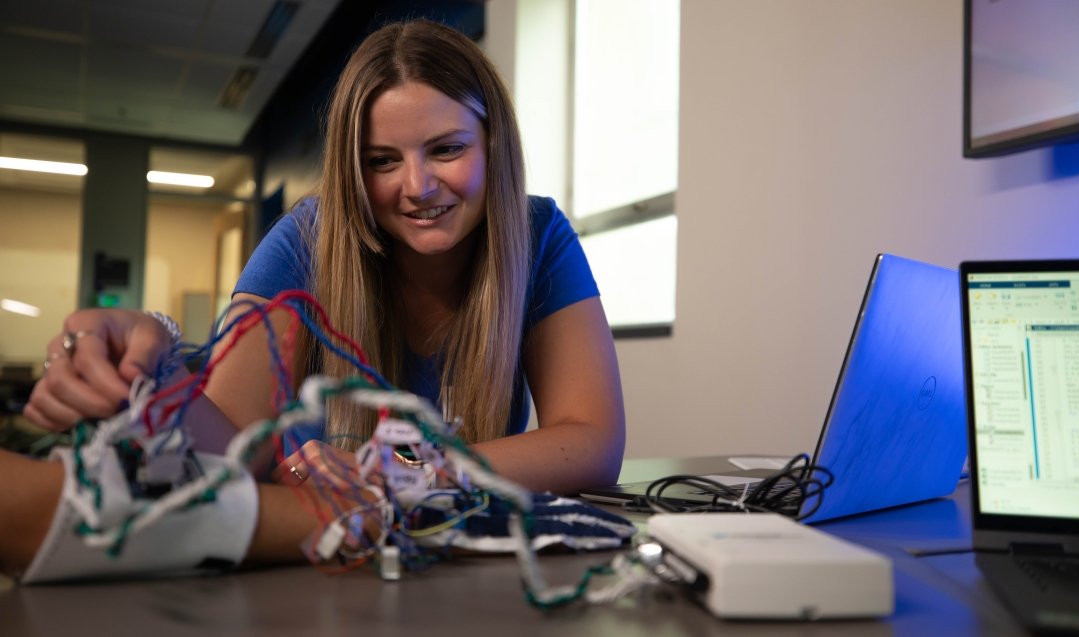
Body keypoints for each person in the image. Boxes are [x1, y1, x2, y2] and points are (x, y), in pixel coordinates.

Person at [2, 19, 625, 577]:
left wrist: (411, 466)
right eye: (382, 161)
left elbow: (592, 444)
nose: (417, 186)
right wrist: (149, 367)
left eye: (447, 149)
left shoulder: (539, 233)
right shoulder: (306, 239)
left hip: (463, 563)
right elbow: (232, 450)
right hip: (321, 569)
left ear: (495, 145)